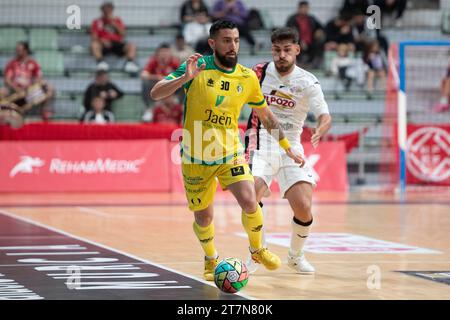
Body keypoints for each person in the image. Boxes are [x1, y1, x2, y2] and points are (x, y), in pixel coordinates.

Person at [150, 20, 304, 280]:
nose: (233, 46)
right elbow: (155, 93)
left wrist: (287, 147)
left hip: (229, 153)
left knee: (249, 200)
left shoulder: (247, 77)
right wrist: (185, 79)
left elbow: (266, 117)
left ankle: (257, 250)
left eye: (235, 40)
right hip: (196, 156)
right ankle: (211, 259)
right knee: (204, 217)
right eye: (226, 40)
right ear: (212, 43)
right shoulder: (196, 68)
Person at [245, 27, 332, 274]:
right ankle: (257, 254)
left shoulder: (308, 81)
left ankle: (295, 256)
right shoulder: (257, 73)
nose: (281, 55)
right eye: (276, 50)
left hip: (291, 146)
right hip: (260, 142)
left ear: (297, 50)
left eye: (286, 50)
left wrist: (321, 128)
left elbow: (325, 115)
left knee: (303, 206)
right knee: (251, 197)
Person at [0, 41, 54, 120]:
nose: (17, 52)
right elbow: (7, 80)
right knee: (1, 91)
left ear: (25, 51)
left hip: (28, 92)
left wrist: (31, 87)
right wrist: (16, 88)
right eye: (16, 50)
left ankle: (44, 111)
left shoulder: (33, 63)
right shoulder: (12, 63)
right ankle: (4, 114)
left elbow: (38, 78)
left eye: (19, 50)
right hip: (13, 91)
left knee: (49, 88)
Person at [90, 1, 139, 73]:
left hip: (117, 43)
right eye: (105, 8)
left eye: (109, 8)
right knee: (94, 44)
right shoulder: (96, 21)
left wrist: (113, 23)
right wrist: (102, 40)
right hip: (103, 45)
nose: (107, 10)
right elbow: (94, 37)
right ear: (102, 10)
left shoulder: (117, 20)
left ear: (112, 9)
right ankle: (100, 62)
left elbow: (123, 34)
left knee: (132, 45)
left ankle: (129, 63)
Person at [141, 44, 181, 121]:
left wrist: (168, 79)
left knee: (185, 82)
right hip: (157, 87)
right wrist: (158, 77)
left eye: (166, 53)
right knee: (145, 82)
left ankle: (181, 105)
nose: (164, 56)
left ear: (170, 54)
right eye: (162, 53)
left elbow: (182, 74)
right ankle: (148, 108)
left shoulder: (174, 62)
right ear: (158, 54)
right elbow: (143, 75)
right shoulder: (154, 61)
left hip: (172, 87)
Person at [286, 1, 325, 68]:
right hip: (297, 42)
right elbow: (288, 32)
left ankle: (314, 65)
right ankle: (296, 64)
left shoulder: (312, 19)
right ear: (299, 8)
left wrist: (319, 31)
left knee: (319, 45)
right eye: (303, 8)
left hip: (311, 42)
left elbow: (321, 27)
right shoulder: (292, 19)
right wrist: (300, 41)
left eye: (306, 8)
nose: (305, 10)